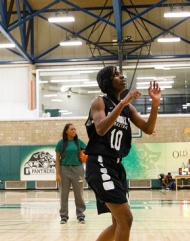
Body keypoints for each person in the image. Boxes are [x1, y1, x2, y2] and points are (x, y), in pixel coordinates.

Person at [84, 66, 160, 241]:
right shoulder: (99, 102)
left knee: (119, 222)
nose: (121, 76)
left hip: (116, 167)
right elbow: (101, 128)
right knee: (126, 219)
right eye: (116, 75)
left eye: (120, 73)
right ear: (107, 82)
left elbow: (148, 128)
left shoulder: (128, 108)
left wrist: (155, 104)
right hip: (100, 163)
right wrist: (122, 103)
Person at [55, 123, 87, 224]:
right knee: (63, 194)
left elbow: (87, 152)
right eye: (72, 129)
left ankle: (80, 215)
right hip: (64, 169)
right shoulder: (60, 143)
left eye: (75, 129)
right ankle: (64, 216)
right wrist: (57, 173)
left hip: (78, 169)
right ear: (66, 131)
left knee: (79, 194)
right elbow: (57, 160)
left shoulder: (79, 142)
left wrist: (85, 155)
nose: (74, 131)